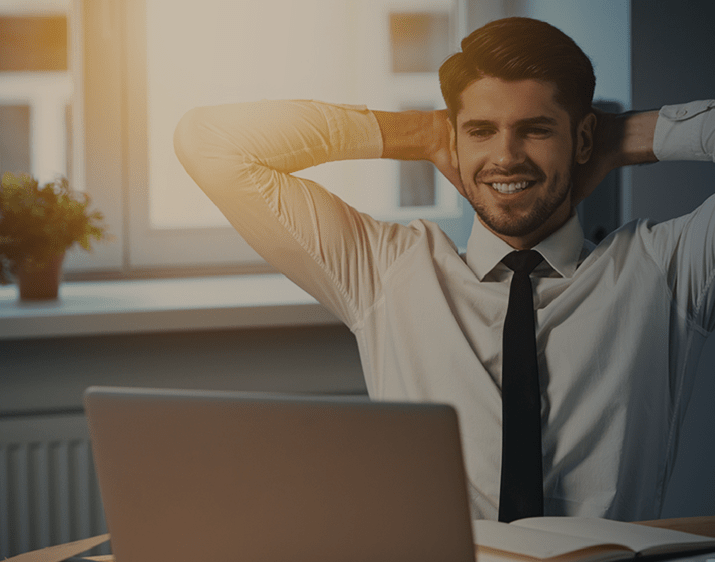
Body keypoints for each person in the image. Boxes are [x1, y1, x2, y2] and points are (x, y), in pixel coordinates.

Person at [174, 17, 715, 521]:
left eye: (537, 130)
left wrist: (629, 138)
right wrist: (417, 133)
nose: (507, 156)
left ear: (582, 139)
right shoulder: (383, 271)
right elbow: (210, 142)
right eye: (480, 130)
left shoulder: (667, 270)